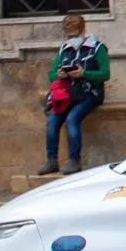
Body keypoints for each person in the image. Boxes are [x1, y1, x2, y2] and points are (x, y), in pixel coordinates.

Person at [39, 14, 109, 176]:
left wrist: (84, 73)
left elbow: (105, 74)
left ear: (83, 30)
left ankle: (74, 160)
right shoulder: (65, 49)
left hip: (88, 93)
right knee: (52, 121)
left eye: (75, 35)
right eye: (69, 36)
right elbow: (51, 75)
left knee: (72, 119)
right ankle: (51, 160)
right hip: (67, 94)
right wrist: (60, 75)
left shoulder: (97, 48)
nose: (72, 39)